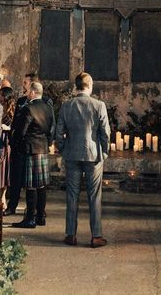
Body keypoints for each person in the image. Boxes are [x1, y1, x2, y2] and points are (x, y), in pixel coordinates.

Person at [56, 72, 111, 248]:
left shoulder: (67, 105)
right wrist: (104, 152)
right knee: (94, 196)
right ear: (90, 85)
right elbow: (105, 133)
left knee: (72, 195)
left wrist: (64, 149)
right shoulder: (98, 105)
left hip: (72, 154)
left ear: (76, 86)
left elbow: (59, 132)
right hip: (93, 155)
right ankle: (96, 236)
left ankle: (71, 234)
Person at [11, 81, 54, 229]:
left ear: (34, 92)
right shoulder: (48, 108)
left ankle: (30, 218)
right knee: (41, 186)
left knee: (31, 186)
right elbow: (50, 129)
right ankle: (41, 216)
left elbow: (21, 132)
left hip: (30, 149)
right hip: (42, 148)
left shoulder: (28, 108)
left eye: (28, 91)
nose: (27, 94)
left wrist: (14, 143)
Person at [0, 87, 16, 209]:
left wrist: (8, 128)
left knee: (6, 169)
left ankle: (3, 196)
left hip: (7, 140)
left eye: (2, 95)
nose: (0, 96)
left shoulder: (12, 109)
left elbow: (15, 125)